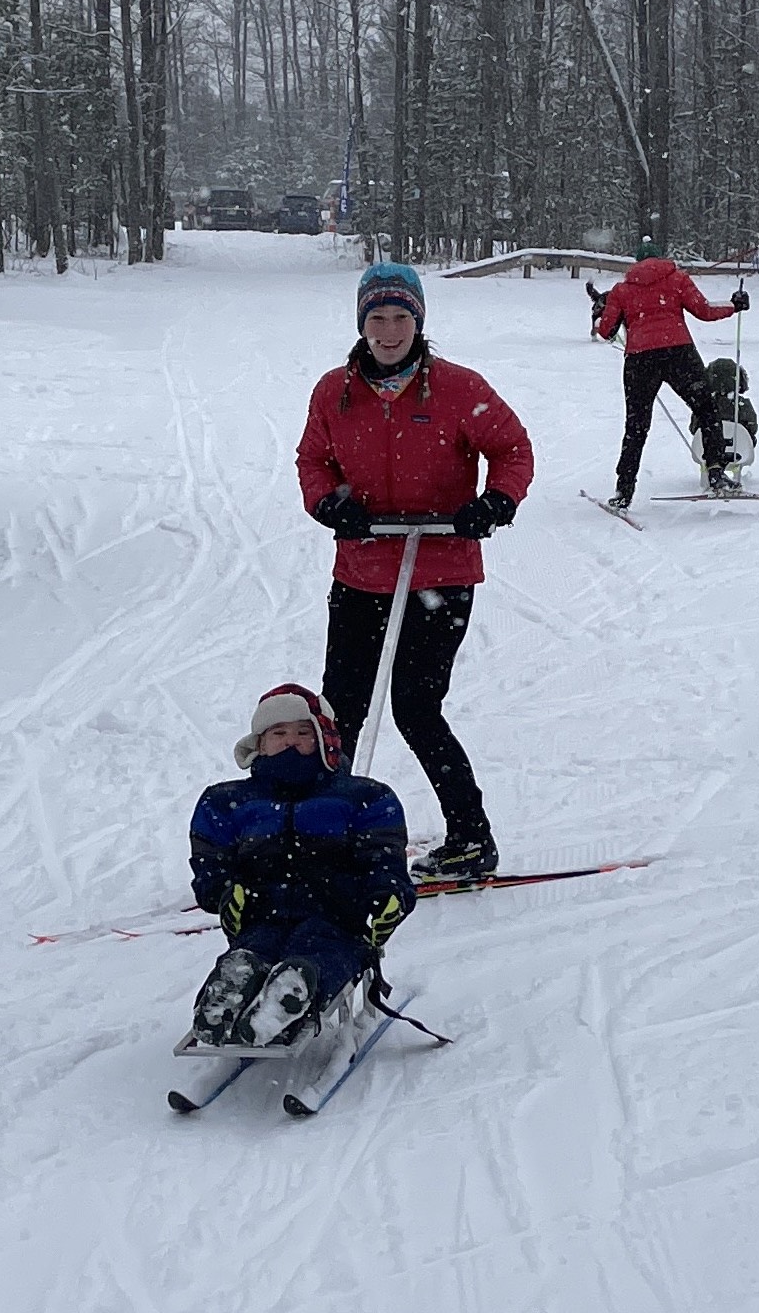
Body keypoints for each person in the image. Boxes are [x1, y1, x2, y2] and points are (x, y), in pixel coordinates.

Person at [296, 262, 535, 881]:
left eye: (401, 317)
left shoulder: (457, 387)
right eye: (377, 317)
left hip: (441, 570)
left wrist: (495, 502)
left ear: (419, 320)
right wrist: (329, 504)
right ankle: (327, 832)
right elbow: (312, 459)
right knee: (340, 708)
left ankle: (470, 837)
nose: (390, 329)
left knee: (415, 707)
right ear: (361, 323)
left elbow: (512, 448)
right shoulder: (334, 392)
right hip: (361, 568)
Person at [187, 685, 416, 1048]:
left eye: (302, 732)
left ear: (324, 740)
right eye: (278, 733)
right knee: (252, 951)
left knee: (325, 951)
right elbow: (210, 862)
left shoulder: (364, 797)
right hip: (261, 913)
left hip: (336, 915)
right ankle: (228, 993)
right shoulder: (227, 801)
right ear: (259, 744)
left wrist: (389, 893)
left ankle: (295, 990)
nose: (290, 741)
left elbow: (384, 855)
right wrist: (222, 892)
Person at [593, 239, 750, 510]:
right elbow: (705, 311)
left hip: (640, 359)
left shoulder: (622, 290)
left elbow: (606, 331)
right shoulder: (677, 279)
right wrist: (734, 306)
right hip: (679, 352)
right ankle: (715, 472)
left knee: (637, 426)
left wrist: (600, 314)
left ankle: (623, 490)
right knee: (706, 410)